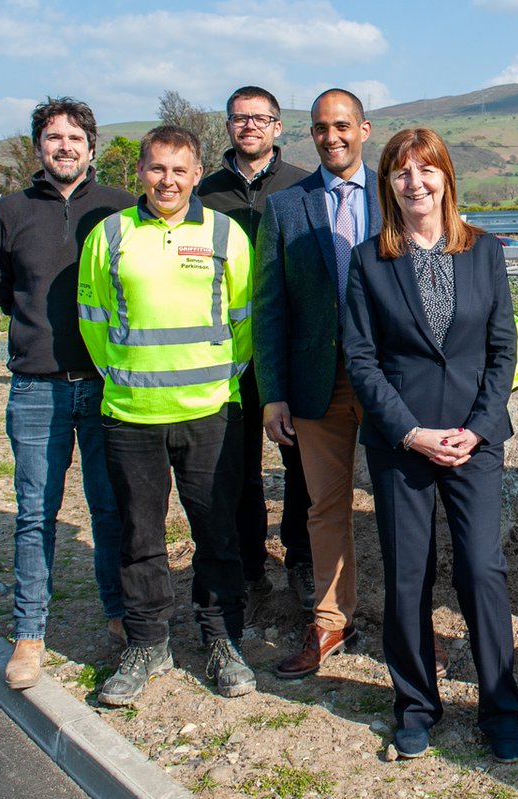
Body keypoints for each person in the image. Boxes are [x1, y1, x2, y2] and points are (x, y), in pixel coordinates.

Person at [344, 128, 518, 762]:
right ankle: (416, 705)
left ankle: (500, 705)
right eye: (400, 173)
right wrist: (411, 432)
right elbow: (361, 360)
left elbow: (504, 349)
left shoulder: (485, 252)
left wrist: (477, 426)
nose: (415, 183)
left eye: (427, 171)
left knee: (481, 570)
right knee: (408, 576)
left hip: (475, 441)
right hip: (402, 445)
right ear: (387, 184)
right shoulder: (369, 262)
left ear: (447, 177)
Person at [79, 125, 256, 704]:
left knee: (216, 534)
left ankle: (221, 639)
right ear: (140, 172)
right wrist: (125, 377)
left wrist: (221, 378)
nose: (168, 180)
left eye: (179, 170)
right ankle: (147, 642)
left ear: (197, 172)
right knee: (140, 537)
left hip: (210, 414)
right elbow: (93, 319)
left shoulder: (225, 233)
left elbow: (244, 319)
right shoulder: (111, 235)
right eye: (157, 169)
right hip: (130, 414)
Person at [0, 97, 131, 690]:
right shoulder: (9, 212)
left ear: (91, 147)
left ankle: (121, 618)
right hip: (36, 386)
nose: (64, 145)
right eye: (53, 137)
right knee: (34, 513)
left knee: (110, 508)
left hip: (105, 385)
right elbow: (3, 286)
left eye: (75, 136)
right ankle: (29, 634)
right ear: (39, 147)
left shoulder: (121, 208)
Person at [255, 89, 384, 679]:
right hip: (315, 384)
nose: (331, 137)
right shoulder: (285, 207)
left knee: (404, 506)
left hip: (391, 381)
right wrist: (272, 391)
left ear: (363, 129)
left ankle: (409, 623)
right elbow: (269, 307)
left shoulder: (399, 192)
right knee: (323, 506)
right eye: (319, 129)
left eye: (341, 126)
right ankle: (332, 620)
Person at [198, 86, 314, 622]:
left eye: (260, 118)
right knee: (234, 463)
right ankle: (249, 562)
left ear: (277, 127)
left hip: (290, 346)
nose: (250, 126)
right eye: (240, 118)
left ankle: (301, 557)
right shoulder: (202, 193)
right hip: (224, 350)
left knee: (301, 461)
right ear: (227, 127)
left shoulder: (303, 186)